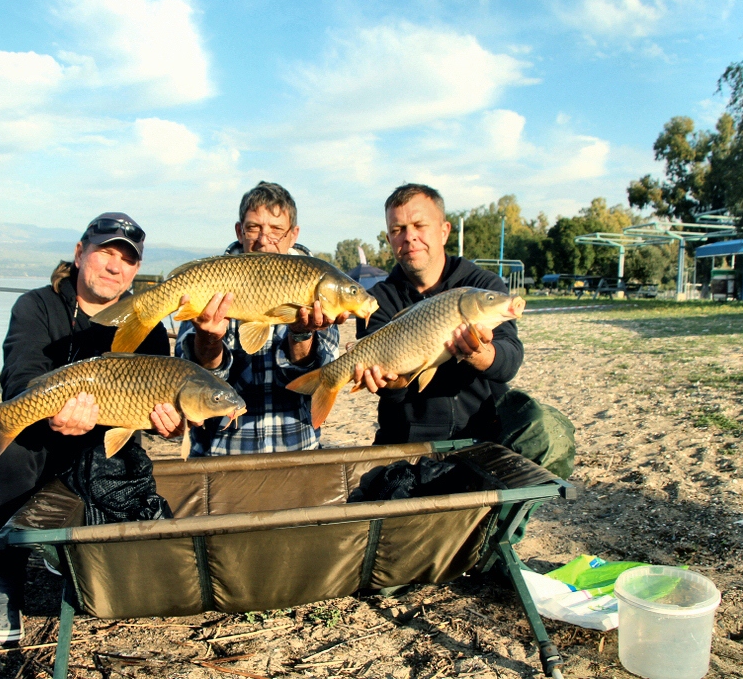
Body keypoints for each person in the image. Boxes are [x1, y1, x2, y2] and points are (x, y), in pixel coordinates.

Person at [0, 213, 183, 643]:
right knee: (4, 449)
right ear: (78, 253)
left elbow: (162, 406)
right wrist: (52, 414)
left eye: (126, 259)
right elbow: (18, 380)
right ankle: (5, 586)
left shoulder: (147, 326)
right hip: (43, 441)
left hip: (108, 449)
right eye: (105, 252)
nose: (114, 266)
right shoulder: (36, 306)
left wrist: (174, 426)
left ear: (136, 270)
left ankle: (75, 550)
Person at [354, 184, 575, 485]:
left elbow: (509, 360)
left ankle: (495, 530)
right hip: (409, 437)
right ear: (390, 238)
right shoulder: (376, 300)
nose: (409, 237)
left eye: (420, 225)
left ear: (444, 231)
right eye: (398, 229)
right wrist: (390, 383)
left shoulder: (481, 285)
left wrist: (480, 355)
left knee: (544, 432)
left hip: (482, 430)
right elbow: (388, 392)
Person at [175, 181, 348, 455]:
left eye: (277, 229)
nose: (264, 239)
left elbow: (320, 378)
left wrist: (301, 334)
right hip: (220, 453)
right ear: (239, 231)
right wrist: (208, 341)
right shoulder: (211, 280)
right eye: (254, 227)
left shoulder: (316, 280)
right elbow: (187, 381)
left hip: (297, 450)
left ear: (293, 234)